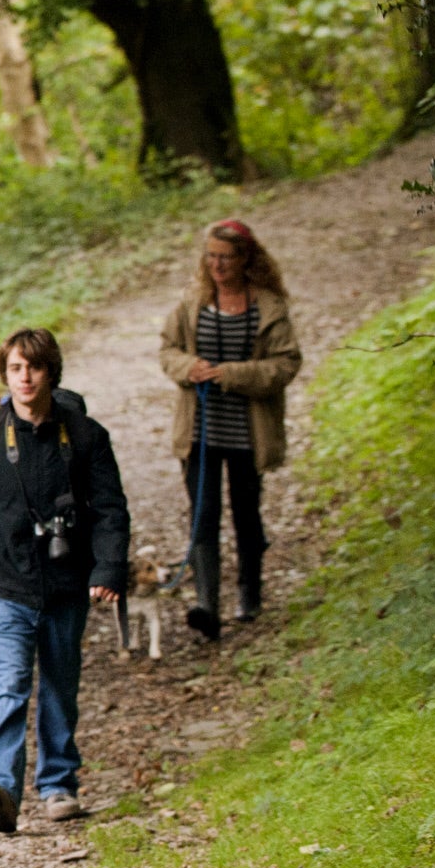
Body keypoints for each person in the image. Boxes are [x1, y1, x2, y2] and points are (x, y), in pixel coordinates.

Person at [0, 329, 128, 831]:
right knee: (9, 683)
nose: (25, 378)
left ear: (52, 372)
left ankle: (58, 784)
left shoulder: (87, 436)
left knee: (59, 687)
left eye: (34, 368)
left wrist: (109, 568)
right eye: (15, 369)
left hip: (68, 585)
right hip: (6, 587)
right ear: (5, 376)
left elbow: (111, 511)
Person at [156, 220, 301, 639]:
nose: (216, 264)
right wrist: (190, 368)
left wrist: (231, 375)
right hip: (199, 431)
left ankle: (249, 594)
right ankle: (207, 606)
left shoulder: (268, 307)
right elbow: (168, 351)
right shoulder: (192, 302)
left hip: (247, 432)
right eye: (211, 255)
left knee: (246, 514)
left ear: (245, 259)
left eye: (225, 256)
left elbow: (286, 363)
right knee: (202, 514)